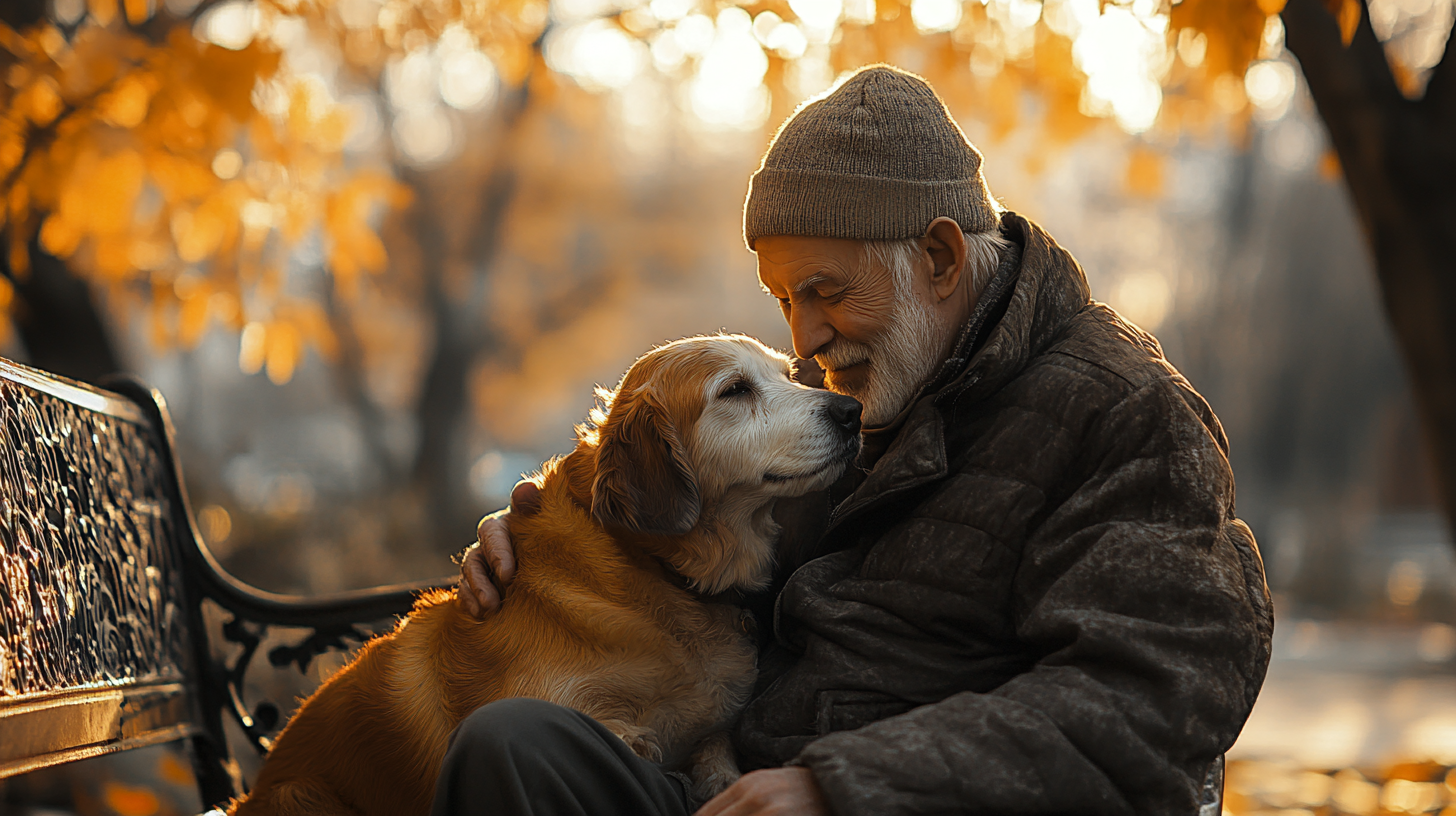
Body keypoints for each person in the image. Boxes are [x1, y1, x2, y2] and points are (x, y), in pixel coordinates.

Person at [437, 64, 1273, 816]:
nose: (802, 342)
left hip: (889, 800)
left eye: (824, 291)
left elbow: (1147, 702)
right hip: (730, 781)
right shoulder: (863, 393)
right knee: (513, 747)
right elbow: (704, 545)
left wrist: (843, 785)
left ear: (940, 258)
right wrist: (546, 544)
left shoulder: (1127, 418)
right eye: (783, 300)